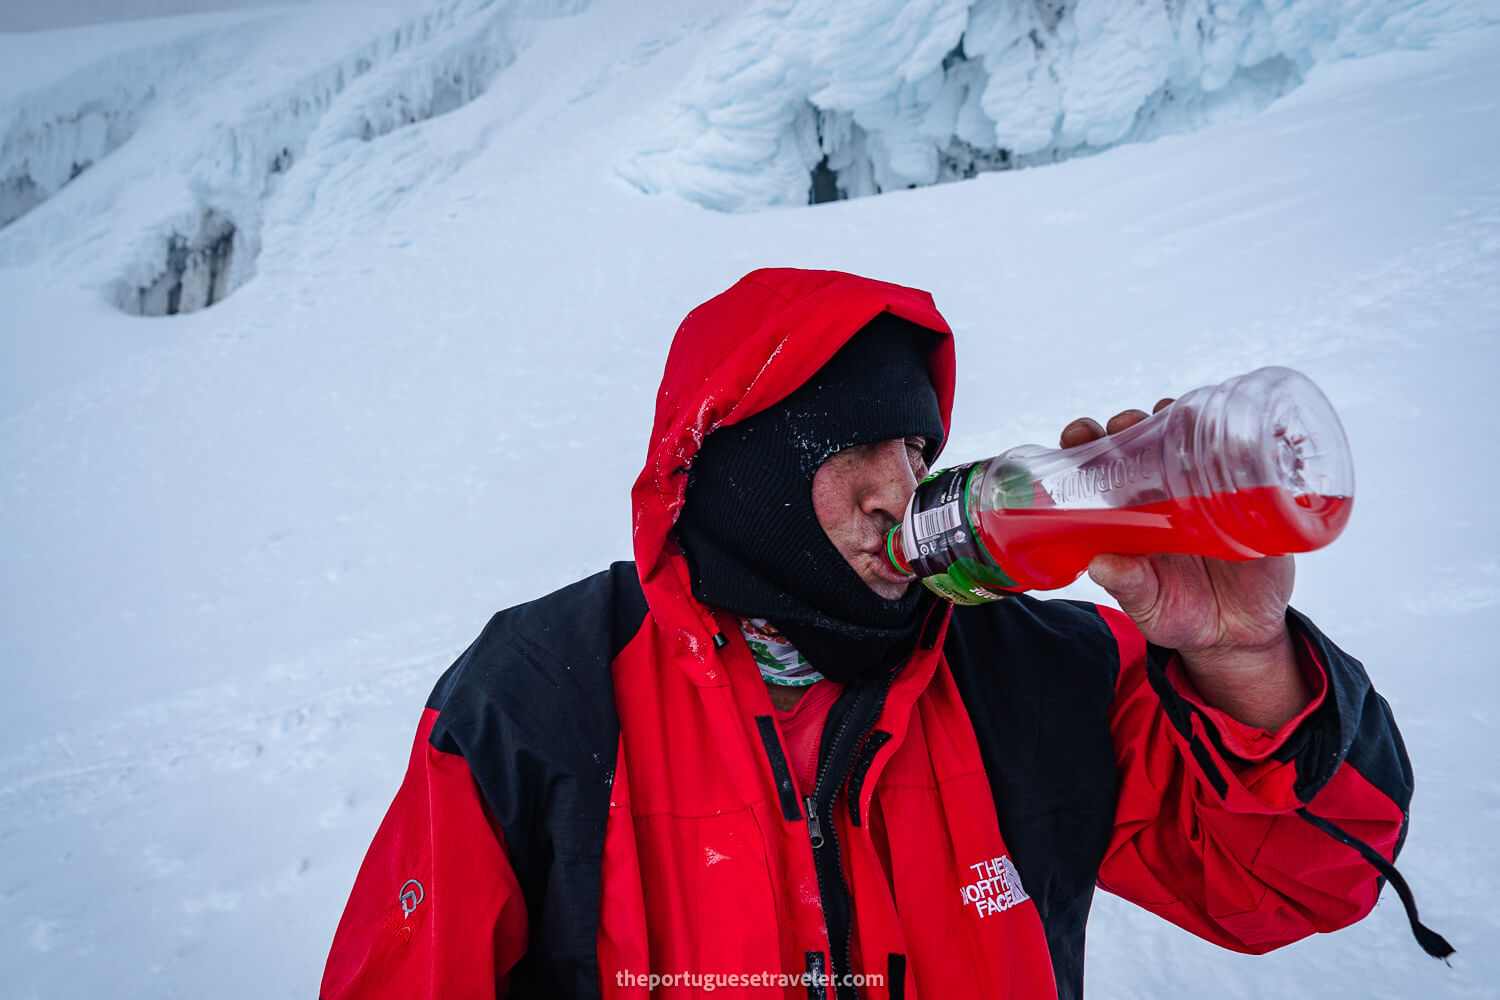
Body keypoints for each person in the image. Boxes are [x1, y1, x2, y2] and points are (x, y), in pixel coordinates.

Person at [320, 269, 1443, 1000]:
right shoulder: (541, 693)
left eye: (915, 446)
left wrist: (1238, 653)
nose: (899, 490)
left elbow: (1300, 884)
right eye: (851, 445)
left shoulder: (1028, 668)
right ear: (741, 461)